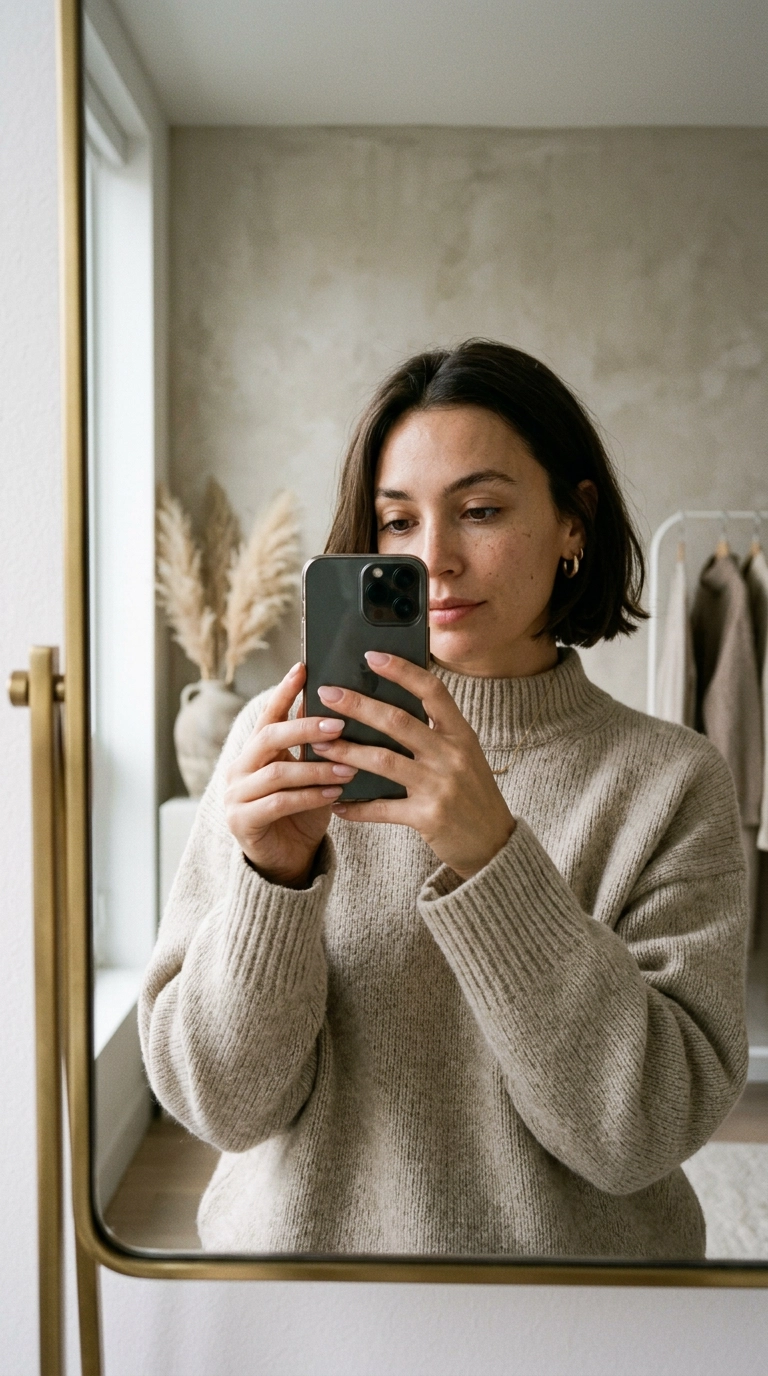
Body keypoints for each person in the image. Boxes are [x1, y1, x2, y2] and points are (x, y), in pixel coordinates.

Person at [140, 340, 748, 1259]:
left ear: (574, 523)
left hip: (585, 1328)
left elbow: (640, 1137)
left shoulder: (671, 784)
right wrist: (274, 879)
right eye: (396, 523)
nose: (434, 561)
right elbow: (223, 1106)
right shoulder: (276, 755)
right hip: (301, 1314)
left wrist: (494, 858)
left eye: (481, 509)